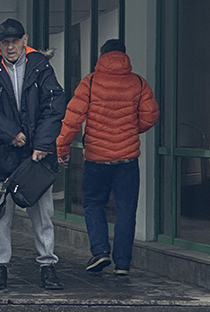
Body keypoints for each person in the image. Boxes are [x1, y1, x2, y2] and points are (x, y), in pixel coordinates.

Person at [0, 18, 67, 291]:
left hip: (37, 157)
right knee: (0, 216)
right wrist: (10, 132)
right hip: (1, 154)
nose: (10, 47)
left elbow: (54, 106)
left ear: (24, 40)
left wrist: (42, 144)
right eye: (5, 42)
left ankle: (48, 265)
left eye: (14, 41)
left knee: (43, 214)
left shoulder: (41, 66)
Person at [56, 39, 159, 277]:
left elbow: (72, 119)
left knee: (92, 204)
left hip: (96, 159)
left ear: (101, 56)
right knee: (126, 211)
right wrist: (131, 130)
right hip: (127, 160)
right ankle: (122, 264)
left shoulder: (90, 82)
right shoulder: (138, 83)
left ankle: (100, 251)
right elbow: (150, 115)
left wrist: (63, 149)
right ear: (124, 55)